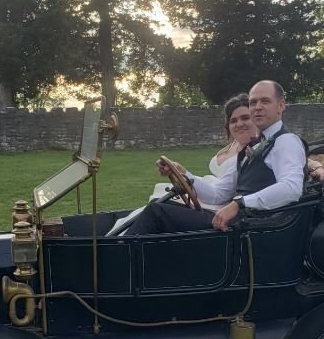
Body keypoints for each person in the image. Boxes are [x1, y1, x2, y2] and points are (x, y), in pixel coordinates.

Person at [124, 80, 307, 236]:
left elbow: (292, 188)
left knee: (157, 212)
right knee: (159, 205)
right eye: (253, 102)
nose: (257, 107)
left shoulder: (286, 141)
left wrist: (239, 204)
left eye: (265, 101)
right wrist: (185, 174)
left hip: (254, 227)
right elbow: (219, 194)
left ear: (281, 105)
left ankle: (117, 258)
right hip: (241, 223)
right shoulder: (253, 147)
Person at [107, 94, 255, 236]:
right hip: (223, 206)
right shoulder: (240, 149)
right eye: (233, 120)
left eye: (245, 118)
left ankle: (119, 249)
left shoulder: (252, 153)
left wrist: (186, 176)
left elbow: (218, 196)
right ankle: (117, 240)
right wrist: (180, 171)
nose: (239, 124)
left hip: (230, 217)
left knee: (156, 211)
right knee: (158, 202)